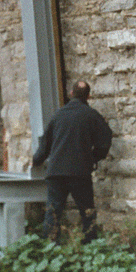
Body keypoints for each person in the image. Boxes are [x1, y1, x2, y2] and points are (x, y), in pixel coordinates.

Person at [32, 79, 112, 244]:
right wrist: (94, 157)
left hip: (56, 171)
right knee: (87, 211)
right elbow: (105, 139)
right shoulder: (91, 115)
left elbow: (45, 145)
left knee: (53, 212)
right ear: (88, 96)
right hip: (79, 172)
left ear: (71, 94)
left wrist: (36, 161)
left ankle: (49, 247)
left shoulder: (58, 115)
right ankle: (91, 245)